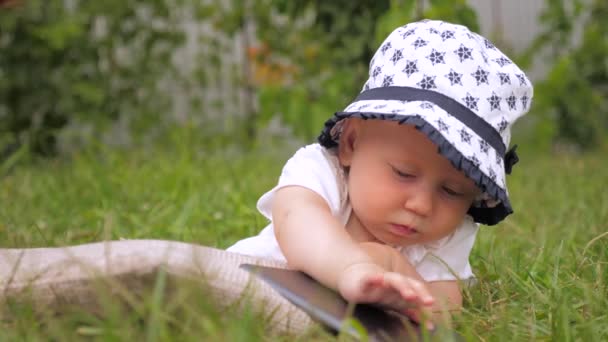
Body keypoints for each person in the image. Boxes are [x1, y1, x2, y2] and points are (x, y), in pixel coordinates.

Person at [228, 19, 533, 326]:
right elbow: (296, 219)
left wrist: (395, 266)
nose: (422, 205)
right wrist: (350, 266)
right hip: (246, 283)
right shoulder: (323, 172)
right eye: (403, 173)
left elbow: (444, 308)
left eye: (452, 191)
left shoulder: (449, 233)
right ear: (351, 142)